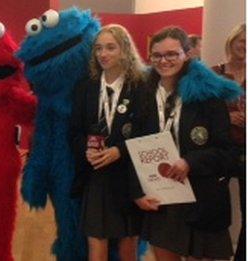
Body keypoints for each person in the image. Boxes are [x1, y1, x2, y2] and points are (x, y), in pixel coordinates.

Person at [132, 26, 241, 260]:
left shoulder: (210, 95)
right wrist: (137, 192)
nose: (164, 61)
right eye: (157, 55)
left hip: (201, 198)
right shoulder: (141, 95)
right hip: (161, 198)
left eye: (172, 54)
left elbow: (227, 154)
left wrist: (190, 162)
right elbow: (133, 148)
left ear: (187, 54)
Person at [70, 24, 146, 261]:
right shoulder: (86, 87)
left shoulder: (141, 86)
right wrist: (87, 151)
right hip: (96, 176)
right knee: (96, 240)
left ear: (125, 50)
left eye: (110, 47)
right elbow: (74, 131)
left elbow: (147, 132)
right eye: (99, 48)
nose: (103, 54)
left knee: (128, 244)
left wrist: (119, 151)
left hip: (128, 175)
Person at [212, 23, 246, 261]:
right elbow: (202, 113)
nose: (244, 46)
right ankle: (210, 253)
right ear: (231, 42)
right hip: (220, 149)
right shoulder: (215, 73)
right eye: (241, 41)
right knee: (212, 207)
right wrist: (226, 116)